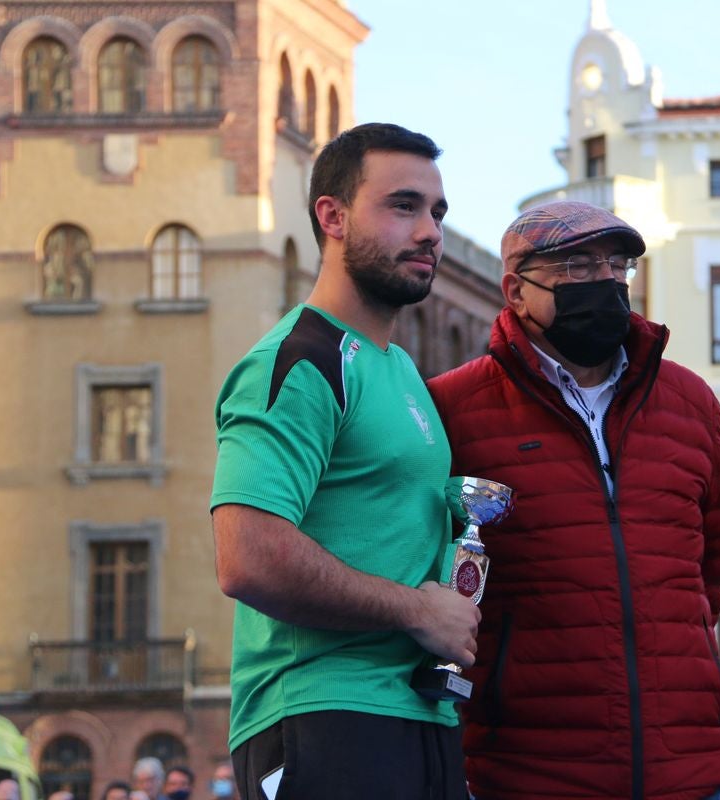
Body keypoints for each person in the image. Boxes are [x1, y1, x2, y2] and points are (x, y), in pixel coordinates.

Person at [427, 201, 720, 800]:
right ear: (516, 292)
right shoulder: (453, 408)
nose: (605, 280)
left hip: (686, 766)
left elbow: (712, 558)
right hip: (528, 771)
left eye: (616, 265)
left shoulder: (690, 402)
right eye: (576, 267)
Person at [211, 123, 475, 800]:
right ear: (332, 216)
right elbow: (247, 555)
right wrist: (416, 610)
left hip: (422, 715)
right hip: (321, 714)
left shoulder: (401, 370)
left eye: (437, 212)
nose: (430, 232)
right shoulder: (298, 361)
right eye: (403, 206)